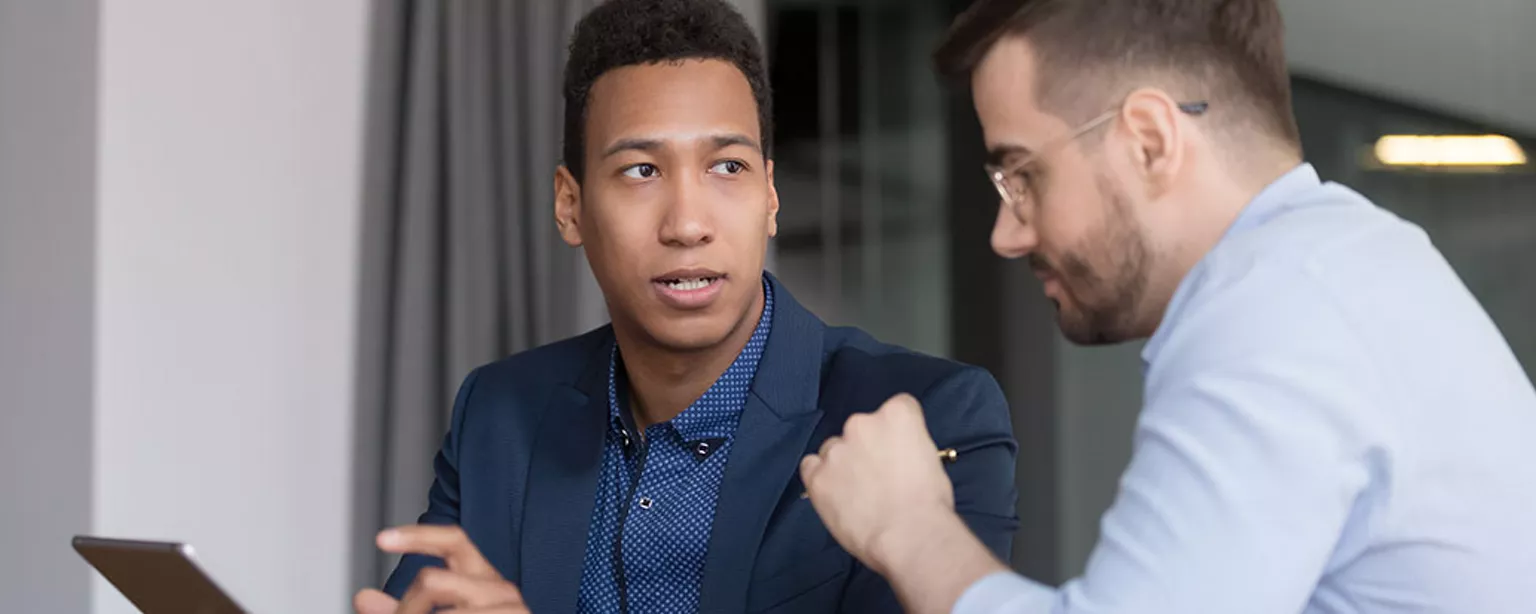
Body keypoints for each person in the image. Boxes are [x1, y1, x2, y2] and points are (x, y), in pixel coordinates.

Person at [799, 0, 1536, 613]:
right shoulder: (1344, 268)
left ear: (1150, 140)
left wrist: (909, 526)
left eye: (1024, 175)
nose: (1007, 233)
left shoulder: (1277, 311)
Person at [351, 1, 1020, 613]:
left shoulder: (926, 419)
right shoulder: (500, 416)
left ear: (771, 197)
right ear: (570, 204)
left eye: (727, 167)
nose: (688, 223)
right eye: (641, 171)